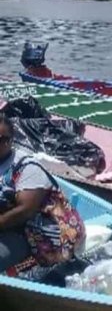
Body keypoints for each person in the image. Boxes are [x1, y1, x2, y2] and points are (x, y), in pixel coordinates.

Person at [0, 113, 84, 270]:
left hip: (27, 234)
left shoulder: (27, 167)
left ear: (11, 140)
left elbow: (25, 211)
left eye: (1, 140)